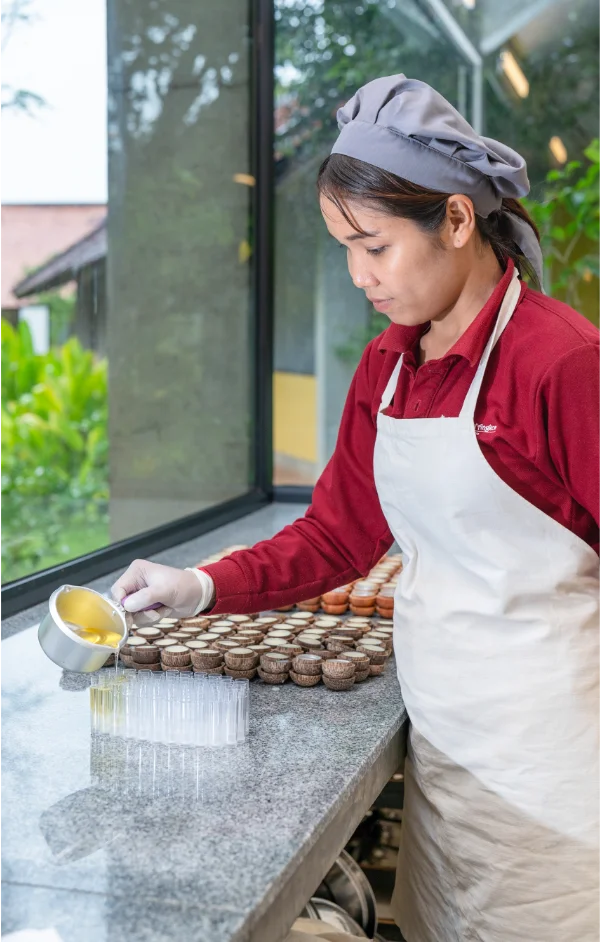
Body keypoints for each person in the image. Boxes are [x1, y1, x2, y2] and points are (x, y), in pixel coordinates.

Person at [113, 75, 600, 941]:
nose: (357, 276)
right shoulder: (389, 368)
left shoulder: (560, 364)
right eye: (343, 247)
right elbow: (338, 535)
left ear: (456, 221)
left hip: (563, 779)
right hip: (451, 767)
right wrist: (195, 585)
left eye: (374, 246)